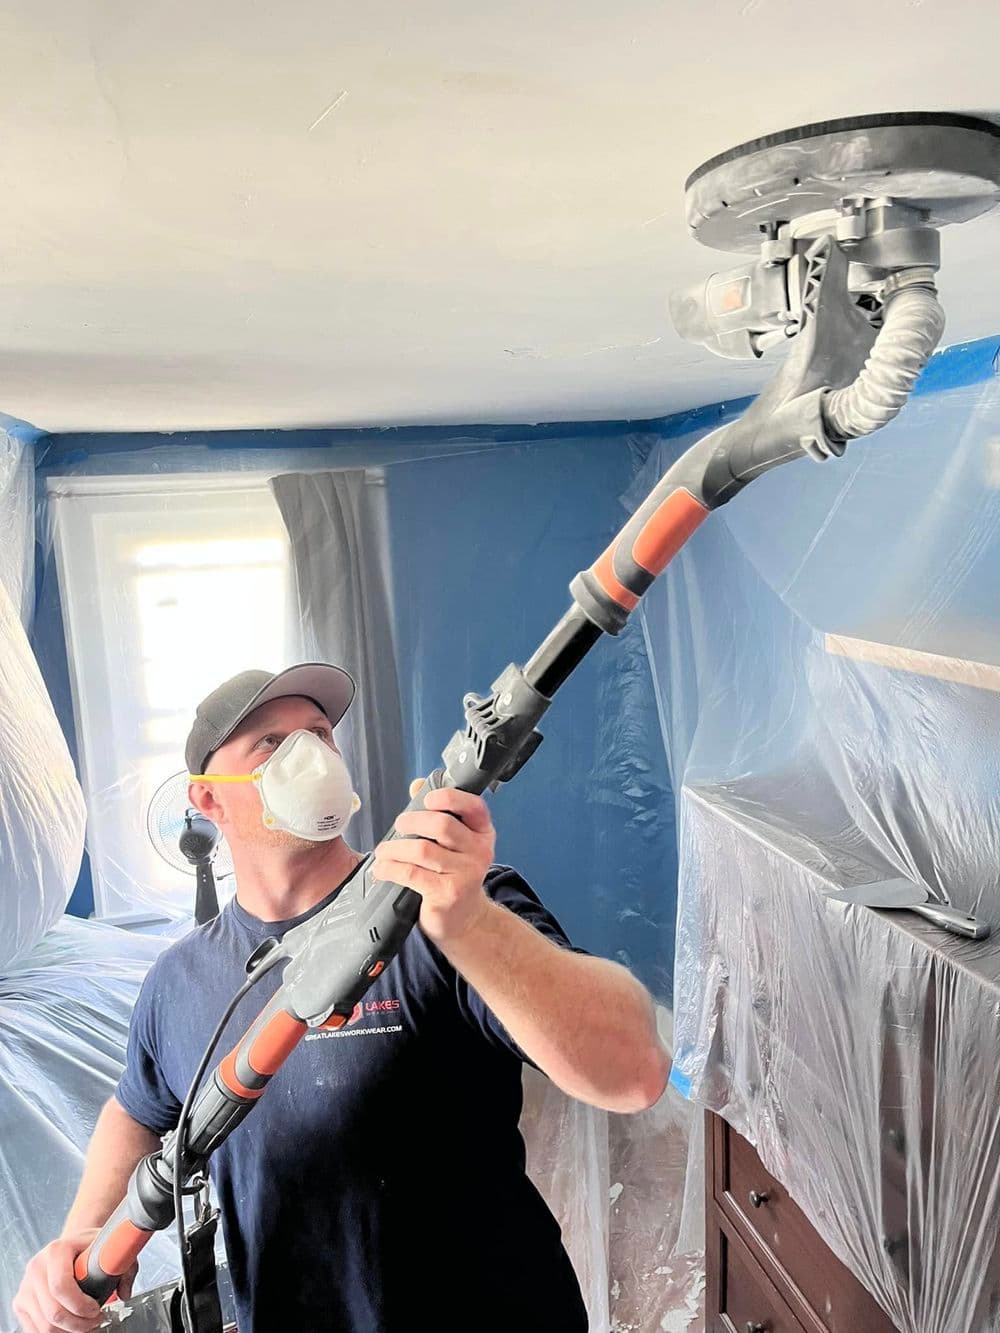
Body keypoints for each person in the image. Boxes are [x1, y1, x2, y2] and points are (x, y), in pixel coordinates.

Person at [14, 664, 670, 1333]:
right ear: (208, 799)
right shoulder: (178, 980)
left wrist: (470, 923)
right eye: (271, 742)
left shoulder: (444, 905)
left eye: (321, 733)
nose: (311, 754)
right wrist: (85, 1232)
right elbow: (137, 1108)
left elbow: (634, 1069)